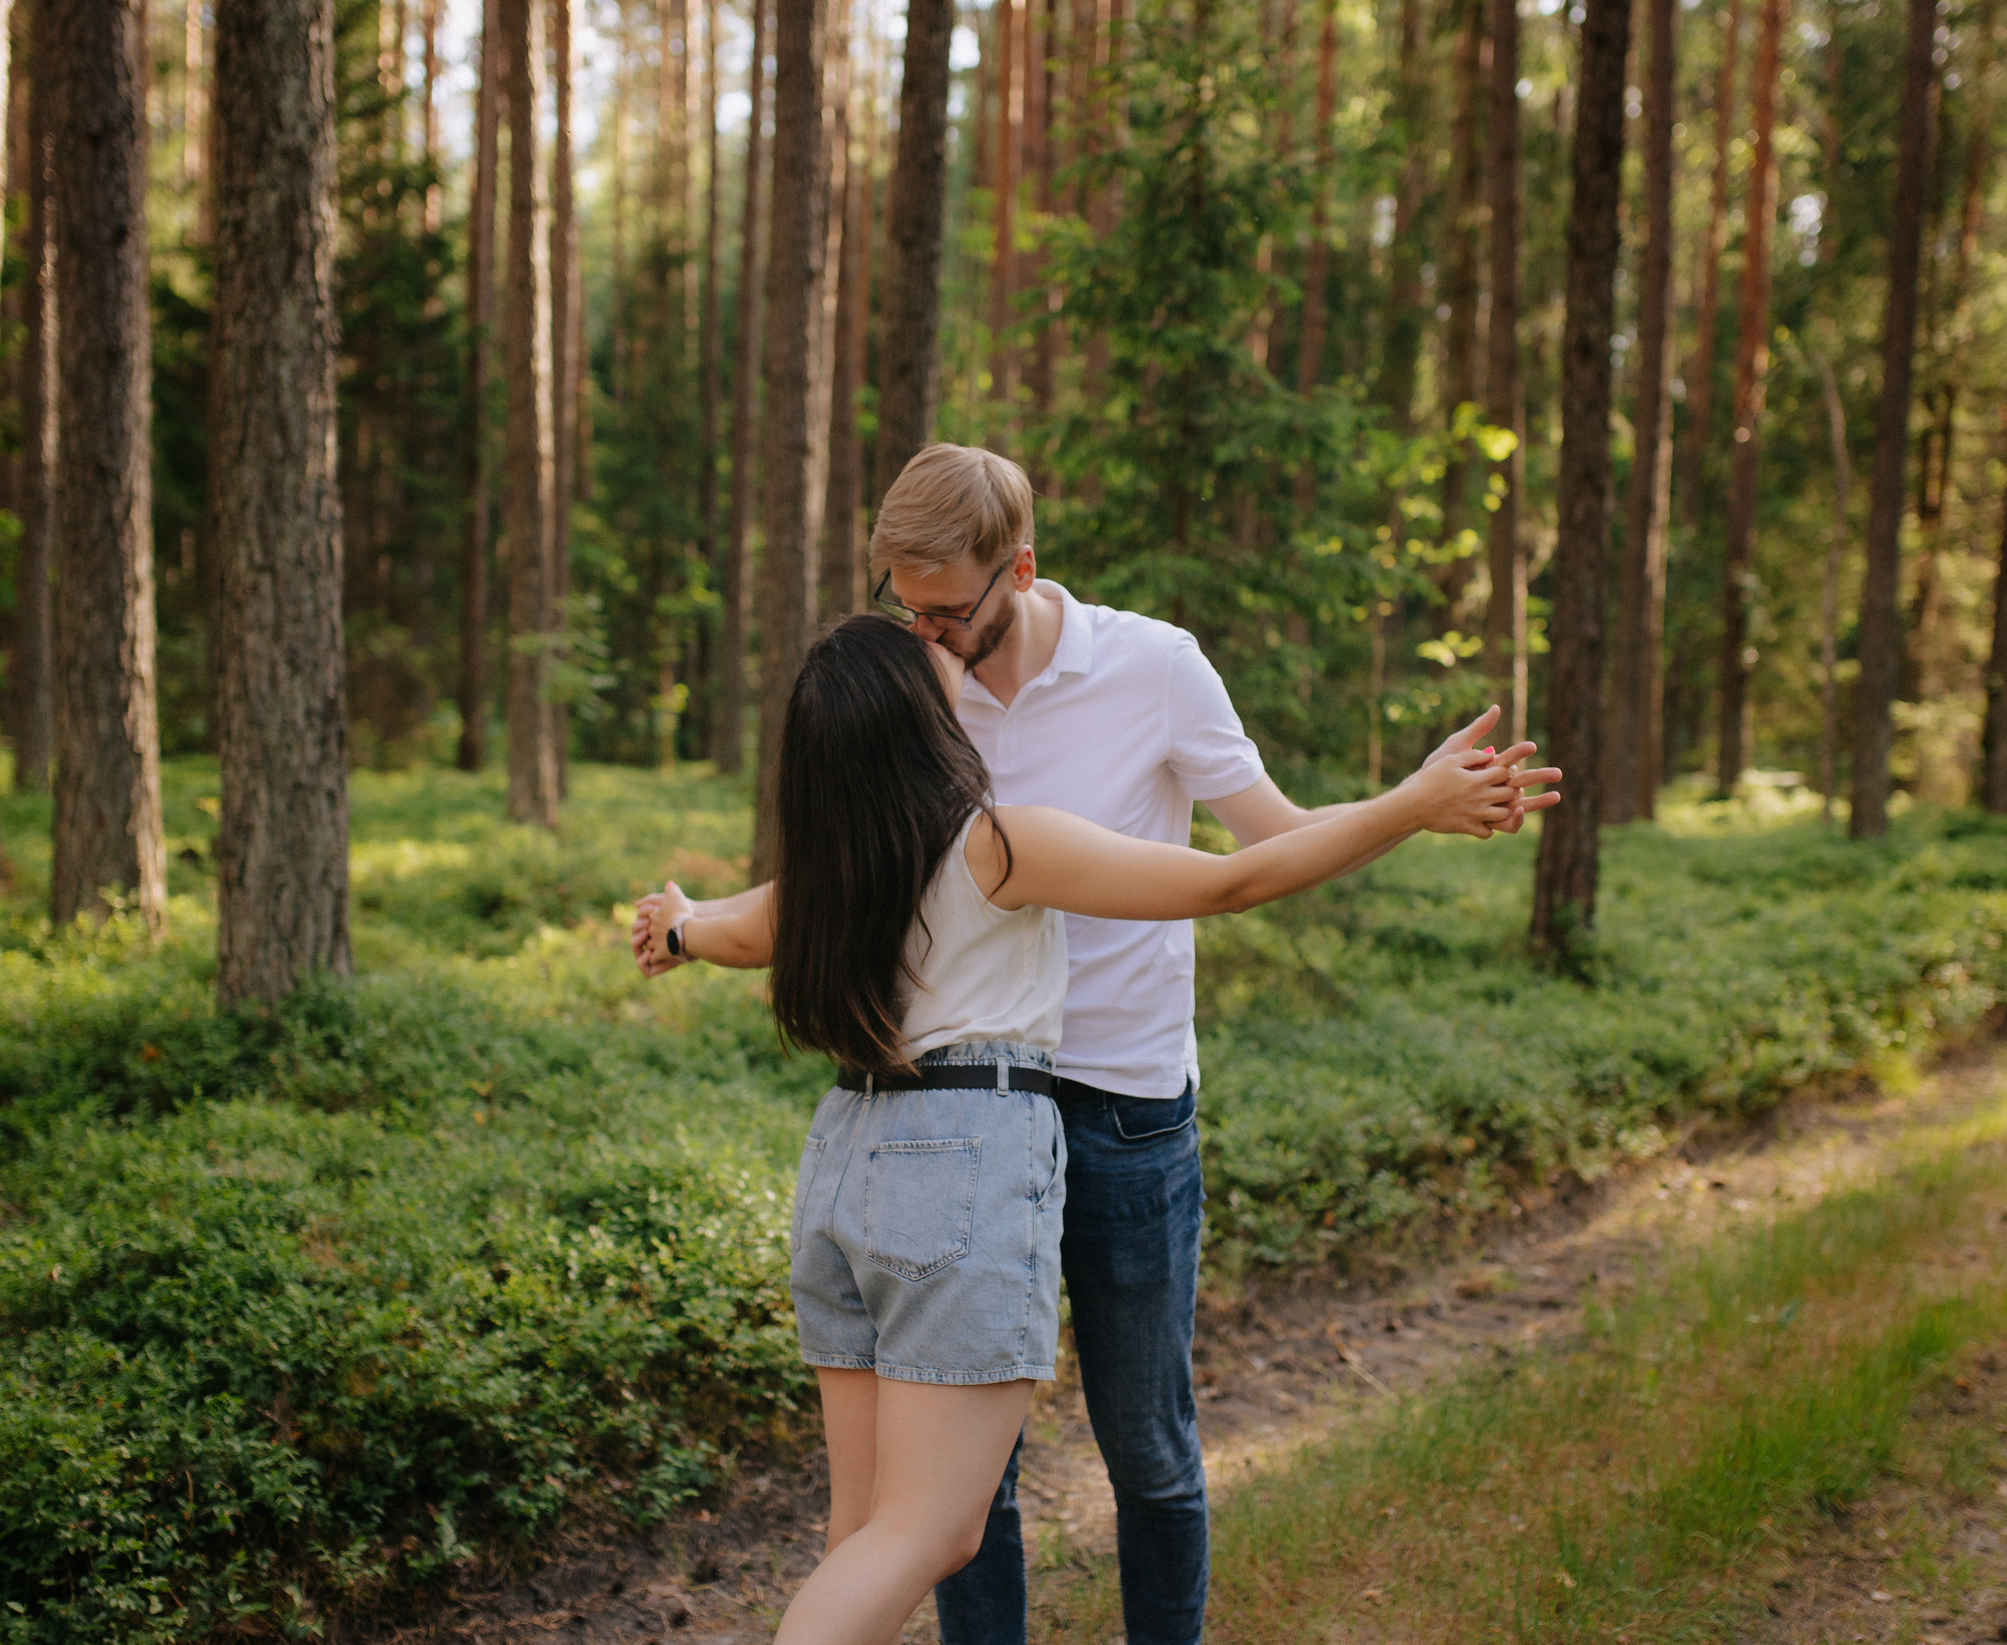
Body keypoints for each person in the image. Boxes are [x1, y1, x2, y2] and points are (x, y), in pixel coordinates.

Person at [633, 445, 1562, 1645]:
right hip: (957, 1121)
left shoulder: (1150, 668)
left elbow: (1261, 845)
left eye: (946, 611)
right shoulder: (917, 691)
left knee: (1144, 1450)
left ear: (1019, 569)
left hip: (1116, 1108)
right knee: (966, 1495)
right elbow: (834, 876)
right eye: (899, 608)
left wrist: (1410, 807)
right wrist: (693, 923)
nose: (924, 634)